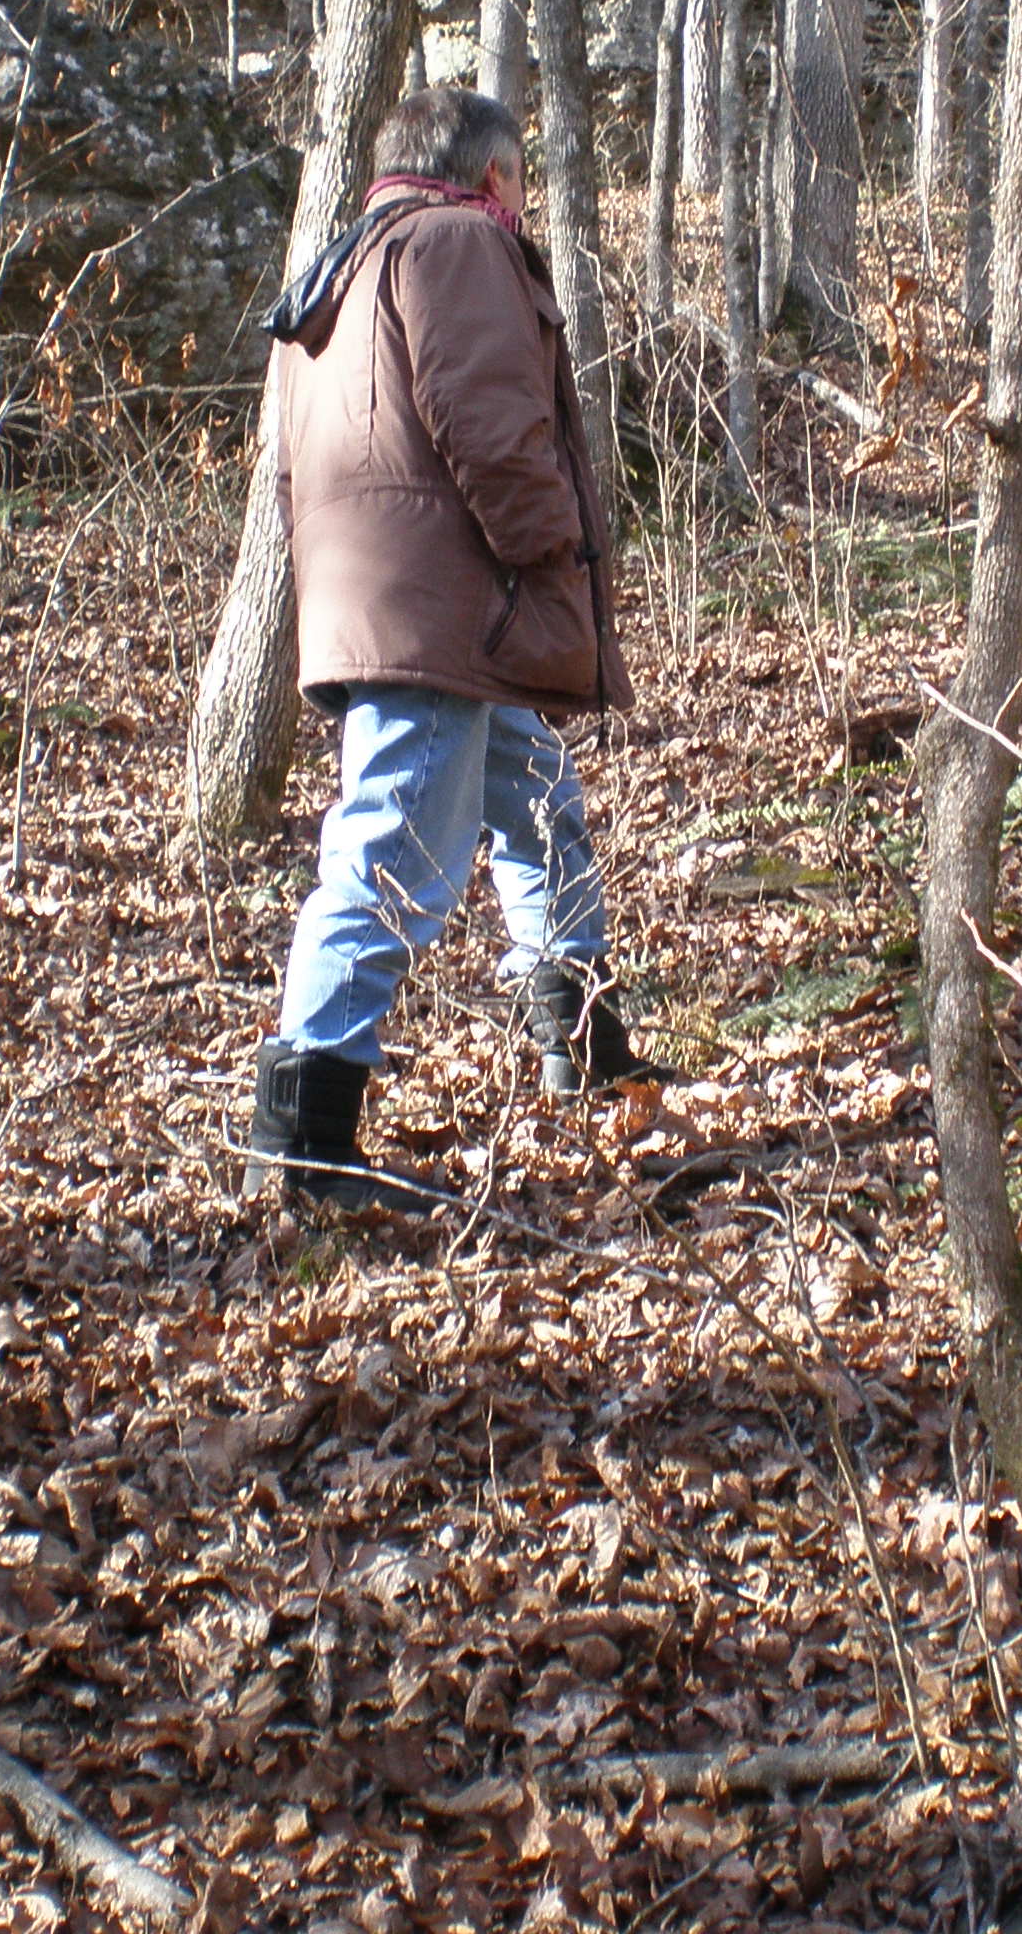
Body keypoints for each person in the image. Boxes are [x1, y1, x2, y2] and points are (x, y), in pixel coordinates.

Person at [247, 85, 675, 1211]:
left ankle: (584, 1047)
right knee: (392, 855)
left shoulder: (336, 270)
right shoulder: (458, 242)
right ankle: (307, 1147)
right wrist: (554, 551)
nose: (521, 203)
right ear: (493, 175)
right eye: (520, 181)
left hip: (400, 608)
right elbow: (490, 426)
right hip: (449, 613)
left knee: (538, 802)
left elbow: (289, 472)